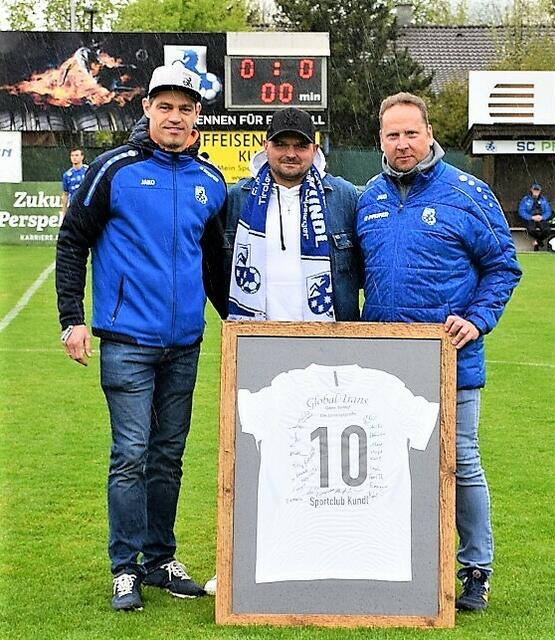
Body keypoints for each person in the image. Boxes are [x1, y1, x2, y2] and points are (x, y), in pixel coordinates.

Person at [56, 64, 228, 612]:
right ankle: (125, 567)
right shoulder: (113, 169)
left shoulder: (211, 181)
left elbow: (214, 265)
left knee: (168, 456)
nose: (175, 117)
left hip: (185, 344)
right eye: (166, 106)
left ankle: (159, 558)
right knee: (130, 454)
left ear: (197, 116)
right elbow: (72, 241)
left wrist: (240, 321)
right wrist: (71, 318)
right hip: (127, 341)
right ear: (148, 108)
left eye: (186, 108)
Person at [356, 92, 522, 612]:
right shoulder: (368, 197)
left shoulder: (467, 193)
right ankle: (393, 563)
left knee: (460, 462)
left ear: (429, 134)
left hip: (450, 359)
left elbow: (503, 266)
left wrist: (477, 318)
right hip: (385, 364)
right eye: (392, 135)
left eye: (411, 132)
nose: (402, 143)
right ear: (380, 140)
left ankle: (476, 568)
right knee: (388, 465)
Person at [204, 107, 360, 595]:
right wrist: (236, 322)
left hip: (328, 348)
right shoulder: (236, 199)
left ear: (314, 148)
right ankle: (241, 563)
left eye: (300, 144)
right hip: (257, 348)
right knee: (253, 460)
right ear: (266, 147)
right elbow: (213, 269)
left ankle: (326, 557)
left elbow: (365, 264)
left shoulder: (343, 197)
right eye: (281, 144)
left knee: (323, 464)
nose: (290, 153)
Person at [517, 182, 552, 251]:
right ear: (531, 190)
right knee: (531, 230)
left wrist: (542, 217)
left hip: (541, 218)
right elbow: (521, 211)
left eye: (537, 190)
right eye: (534, 190)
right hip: (530, 218)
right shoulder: (525, 199)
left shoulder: (544, 200)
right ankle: (539, 243)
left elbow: (548, 211)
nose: (536, 191)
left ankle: (537, 242)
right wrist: (531, 217)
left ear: (540, 191)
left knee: (547, 230)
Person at [61, 148, 88, 215]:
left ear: (82, 157)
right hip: (74, 206)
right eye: (72, 155)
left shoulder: (88, 171)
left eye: (76, 155)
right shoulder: (67, 175)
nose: (74, 158)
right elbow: (65, 194)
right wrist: (64, 211)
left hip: (87, 206)